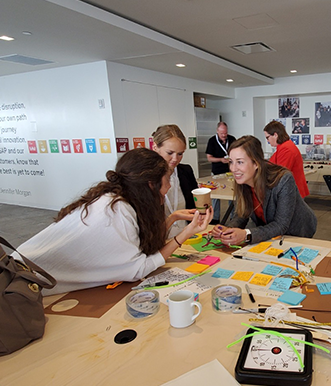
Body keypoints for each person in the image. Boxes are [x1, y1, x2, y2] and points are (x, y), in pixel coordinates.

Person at [16, 148, 213, 295]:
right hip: (20, 286)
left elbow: (140, 246)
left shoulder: (118, 199)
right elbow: (137, 268)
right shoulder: (116, 211)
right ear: (151, 185)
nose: (169, 187)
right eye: (167, 180)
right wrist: (186, 233)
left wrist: (172, 218)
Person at [210, 136, 317, 245]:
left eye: (240, 162)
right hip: (271, 232)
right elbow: (242, 215)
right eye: (231, 162)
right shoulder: (243, 181)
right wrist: (228, 230)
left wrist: (246, 234)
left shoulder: (283, 179)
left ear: (256, 163)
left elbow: (281, 225)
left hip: (297, 232)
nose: (233, 168)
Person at [152, 124, 199, 238]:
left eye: (180, 154)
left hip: (186, 238)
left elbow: (194, 205)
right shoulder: (146, 178)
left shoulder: (186, 171)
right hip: (159, 240)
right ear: (155, 148)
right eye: (170, 153)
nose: (175, 159)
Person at [264, 120, 310, 198]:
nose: (267, 141)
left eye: (267, 137)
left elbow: (280, 173)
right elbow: (271, 164)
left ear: (275, 135)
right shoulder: (282, 147)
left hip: (291, 191)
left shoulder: (286, 149)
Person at [205, 121, 236, 222]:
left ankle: (233, 218)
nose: (224, 135)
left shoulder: (232, 139)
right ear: (217, 131)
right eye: (222, 133)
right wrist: (221, 160)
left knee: (232, 195)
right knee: (215, 197)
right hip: (216, 173)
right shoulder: (212, 141)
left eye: (225, 133)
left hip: (231, 172)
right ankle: (215, 218)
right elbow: (209, 158)